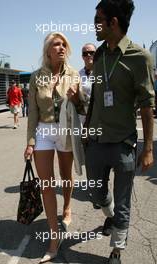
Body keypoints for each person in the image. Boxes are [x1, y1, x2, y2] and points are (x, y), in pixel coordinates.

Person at [85, 1, 155, 263]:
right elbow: (97, 97)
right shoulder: (100, 56)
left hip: (123, 143)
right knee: (96, 193)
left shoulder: (140, 58)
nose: (94, 25)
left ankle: (116, 250)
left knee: (124, 201)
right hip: (96, 141)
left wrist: (148, 148)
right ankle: (109, 215)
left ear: (113, 22)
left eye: (98, 20)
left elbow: (148, 106)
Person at [24, 32, 84, 263]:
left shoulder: (74, 74)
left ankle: (67, 207)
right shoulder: (37, 77)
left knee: (66, 176)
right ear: (48, 50)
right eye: (56, 44)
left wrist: (77, 97)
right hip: (43, 131)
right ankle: (54, 235)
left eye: (63, 45)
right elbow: (32, 114)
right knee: (47, 185)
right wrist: (30, 142)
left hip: (66, 129)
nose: (61, 48)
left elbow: (81, 107)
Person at [79, 43, 96, 124]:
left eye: (92, 53)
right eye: (85, 53)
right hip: (84, 119)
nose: (88, 55)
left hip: (101, 117)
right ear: (82, 57)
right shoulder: (77, 75)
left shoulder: (104, 72)